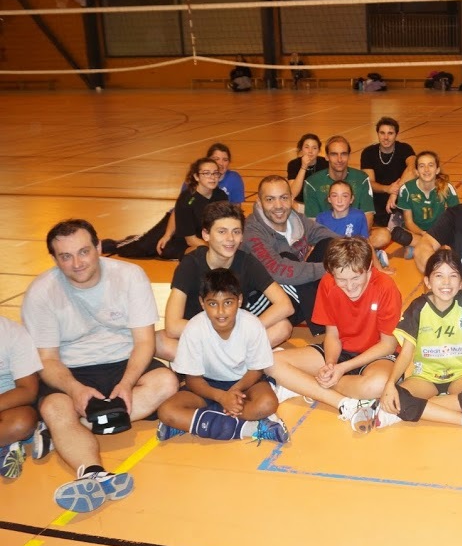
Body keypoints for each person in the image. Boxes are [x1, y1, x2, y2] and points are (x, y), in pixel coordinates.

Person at [22, 219, 178, 512]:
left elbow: (144, 342)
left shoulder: (129, 276)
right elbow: (47, 359)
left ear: (98, 247)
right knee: (56, 407)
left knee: (167, 382)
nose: (77, 263)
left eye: (83, 252)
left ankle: (62, 431)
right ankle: (93, 473)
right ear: (55, 259)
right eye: (65, 256)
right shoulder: (41, 292)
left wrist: (127, 383)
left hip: (124, 360)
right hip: (71, 369)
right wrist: (75, 389)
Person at [266, 237, 402, 430]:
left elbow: (387, 345)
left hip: (376, 355)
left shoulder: (386, 287)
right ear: (332, 273)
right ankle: (344, 403)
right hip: (341, 351)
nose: (350, 286)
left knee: (377, 385)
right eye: (342, 280)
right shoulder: (328, 283)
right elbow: (332, 335)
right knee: (270, 361)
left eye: (356, 278)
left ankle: (306, 384)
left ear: (369, 268)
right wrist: (330, 364)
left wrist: (342, 368)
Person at [156, 269, 289, 444]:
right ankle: (251, 428)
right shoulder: (194, 328)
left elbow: (256, 370)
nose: (220, 311)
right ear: (202, 303)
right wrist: (220, 397)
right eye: (212, 304)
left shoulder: (252, 325)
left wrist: (233, 392)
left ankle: (192, 422)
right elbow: (193, 380)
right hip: (206, 387)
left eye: (228, 302)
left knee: (267, 404)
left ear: (239, 300)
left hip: (245, 385)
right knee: (166, 410)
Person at [372, 248, 462, 435]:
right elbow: (406, 353)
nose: (446, 282)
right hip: (425, 377)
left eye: (453, 276)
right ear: (427, 281)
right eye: (439, 276)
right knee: (397, 396)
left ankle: (413, 409)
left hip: (460, 375)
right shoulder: (418, 308)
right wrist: (390, 384)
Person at [156, 202, 294, 361]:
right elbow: (172, 326)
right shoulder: (191, 263)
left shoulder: (247, 262)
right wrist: (219, 332)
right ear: (206, 235)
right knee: (157, 340)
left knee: (283, 327)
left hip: (235, 339)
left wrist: (241, 331)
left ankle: (218, 362)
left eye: (236, 232)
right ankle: (234, 361)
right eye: (222, 232)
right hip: (200, 338)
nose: (230, 239)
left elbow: (285, 305)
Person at [240, 176, 337, 335]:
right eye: (270, 199)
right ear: (259, 201)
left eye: (284, 198)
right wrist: (330, 268)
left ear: (292, 199)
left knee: (330, 245)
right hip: (263, 302)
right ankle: (321, 322)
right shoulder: (252, 231)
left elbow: (328, 236)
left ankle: (329, 305)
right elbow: (279, 271)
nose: (278, 206)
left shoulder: (295, 219)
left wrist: (357, 251)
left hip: (295, 294)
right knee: (289, 260)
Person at [107, 158, 227, 260]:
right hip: (181, 238)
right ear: (196, 176)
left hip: (201, 240)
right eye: (206, 173)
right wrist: (216, 247)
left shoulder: (221, 196)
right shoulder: (187, 199)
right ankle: (111, 245)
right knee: (138, 249)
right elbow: (190, 240)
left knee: (204, 253)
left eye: (215, 173)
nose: (212, 177)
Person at [303, 136, 381, 243]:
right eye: (334, 154)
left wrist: (352, 244)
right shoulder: (312, 183)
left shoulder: (361, 178)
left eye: (343, 154)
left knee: (383, 235)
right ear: (327, 156)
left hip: (355, 238)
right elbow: (312, 222)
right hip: (327, 239)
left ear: (349, 156)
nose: (339, 159)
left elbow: (368, 216)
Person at [391, 150, 460, 257]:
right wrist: (423, 234)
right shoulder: (406, 189)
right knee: (398, 233)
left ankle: (418, 247)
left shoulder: (447, 188)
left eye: (430, 165)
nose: (426, 170)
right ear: (416, 171)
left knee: (457, 234)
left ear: (437, 170)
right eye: (422, 166)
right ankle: (436, 248)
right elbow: (409, 222)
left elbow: (455, 218)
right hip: (417, 232)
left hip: (438, 232)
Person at [0, 316, 42, 479]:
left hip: (8, 406)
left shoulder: (12, 333)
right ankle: (7, 445)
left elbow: (28, 391)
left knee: (21, 423)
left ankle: (7, 444)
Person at [359, 116, 416, 230]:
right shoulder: (368, 153)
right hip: (377, 200)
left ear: (396, 134)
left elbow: (413, 169)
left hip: (400, 199)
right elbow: (370, 183)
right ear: (377, 134)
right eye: (382, 133)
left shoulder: (405, 149)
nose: (386, 137)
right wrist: (387, 189)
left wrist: (394, 192)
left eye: (390, 133)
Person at [286, 133, 325, 207]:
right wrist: (303, 167)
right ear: (301, 149)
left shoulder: (325, 163)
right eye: (307, 147)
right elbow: (293, 193)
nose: (310, 151)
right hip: (300, 204)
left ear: (319, 150)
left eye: (314, 148)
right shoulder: (293, 164)